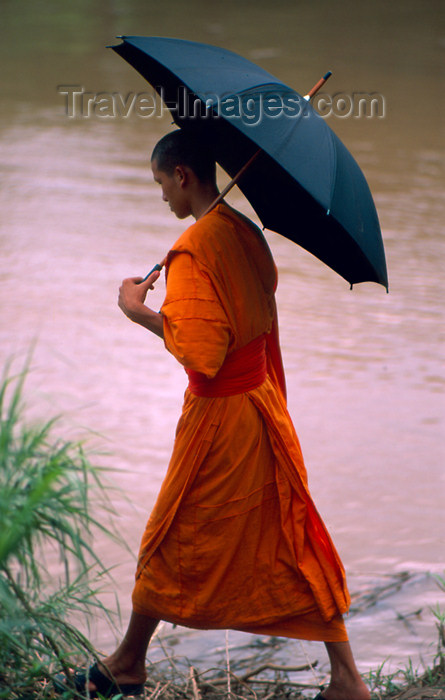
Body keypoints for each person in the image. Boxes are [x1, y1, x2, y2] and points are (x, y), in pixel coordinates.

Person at [57, 129, 370, 700]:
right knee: (290, 533)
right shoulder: (244, 230)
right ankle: (344, 678)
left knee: (170, 534)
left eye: (161, 185)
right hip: (260, 406)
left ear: (183, 176)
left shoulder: (195, 246)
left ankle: (128, 663)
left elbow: (204, 352)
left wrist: (141, 313)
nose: (163, 200)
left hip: (222, 421)